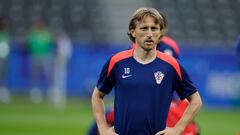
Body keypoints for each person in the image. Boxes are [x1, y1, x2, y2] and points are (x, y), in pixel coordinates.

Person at [91, 7, 202, 135]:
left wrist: (177, 129)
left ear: (160, 33)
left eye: (154, 29)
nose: (149, 34)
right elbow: (97, 96)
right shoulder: (116, 62)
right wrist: (103, 129)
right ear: (133, 32)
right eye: (144, 28)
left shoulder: (171, 65)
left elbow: (196, 100)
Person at [27, 19, 54, 103]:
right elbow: (30, 44)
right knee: (35, 75)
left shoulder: (47, 33)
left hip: (45, 56)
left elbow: (50, 43)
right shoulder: (33, 33)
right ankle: (35, 92)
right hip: (35, 56)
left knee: (48, 74)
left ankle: (50, 91)